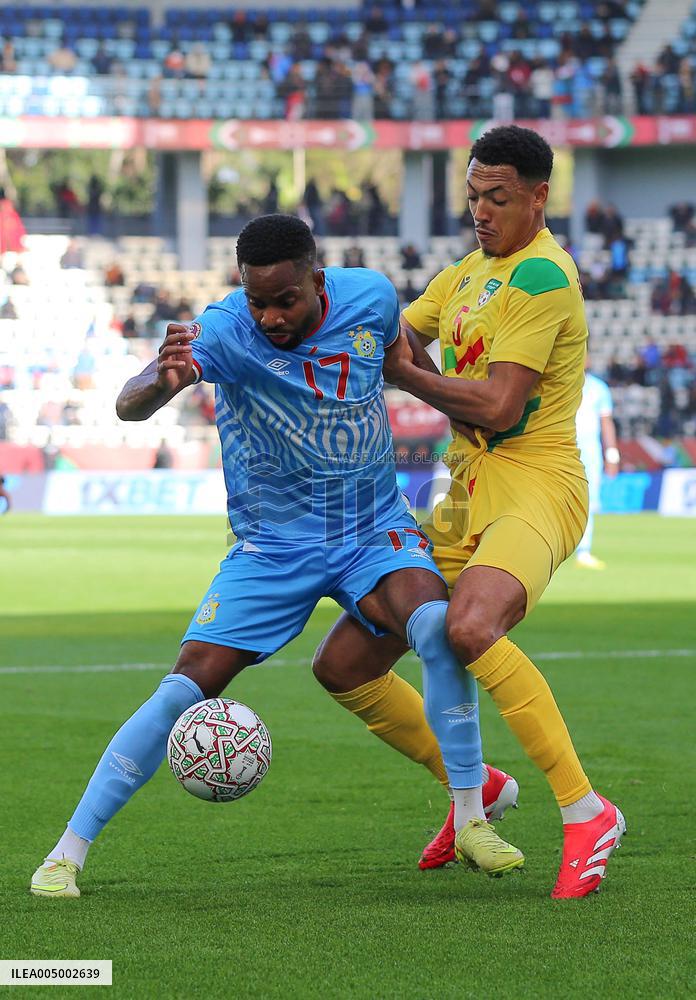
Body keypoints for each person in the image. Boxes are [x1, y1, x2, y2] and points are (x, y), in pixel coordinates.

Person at [31, 215, 521, 899]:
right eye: (256, 299)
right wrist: (162, 380)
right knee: (183, 686)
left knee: (436, 626)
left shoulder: (371, 297)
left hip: (370, 529)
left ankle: (472, 816)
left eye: (284, 300)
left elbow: (402, 357)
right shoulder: (226, 329)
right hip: (272, 548)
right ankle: (66, 854)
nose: (269, 316)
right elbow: (131, 399)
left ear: (317, 280)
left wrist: (456, 413)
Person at [313, 126, 625, 899]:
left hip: (538, 485)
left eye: (498, 198)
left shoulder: (545, 278)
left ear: (538, 197)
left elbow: (495, 402)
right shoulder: (465, 273)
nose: (481, 212)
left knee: (470, 625)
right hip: (466, 494)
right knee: (344, 664)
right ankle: (474, 785)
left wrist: (406, 376)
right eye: (474, 197)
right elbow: (391, 335)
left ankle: (587, 810)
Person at [575, 364, 620, 569]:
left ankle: (584, 550)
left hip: (590, 450)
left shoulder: (598, 387)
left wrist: (612, 454)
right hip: (561, 445)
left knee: (589, 499)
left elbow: (606, 422)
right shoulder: (559, 381)